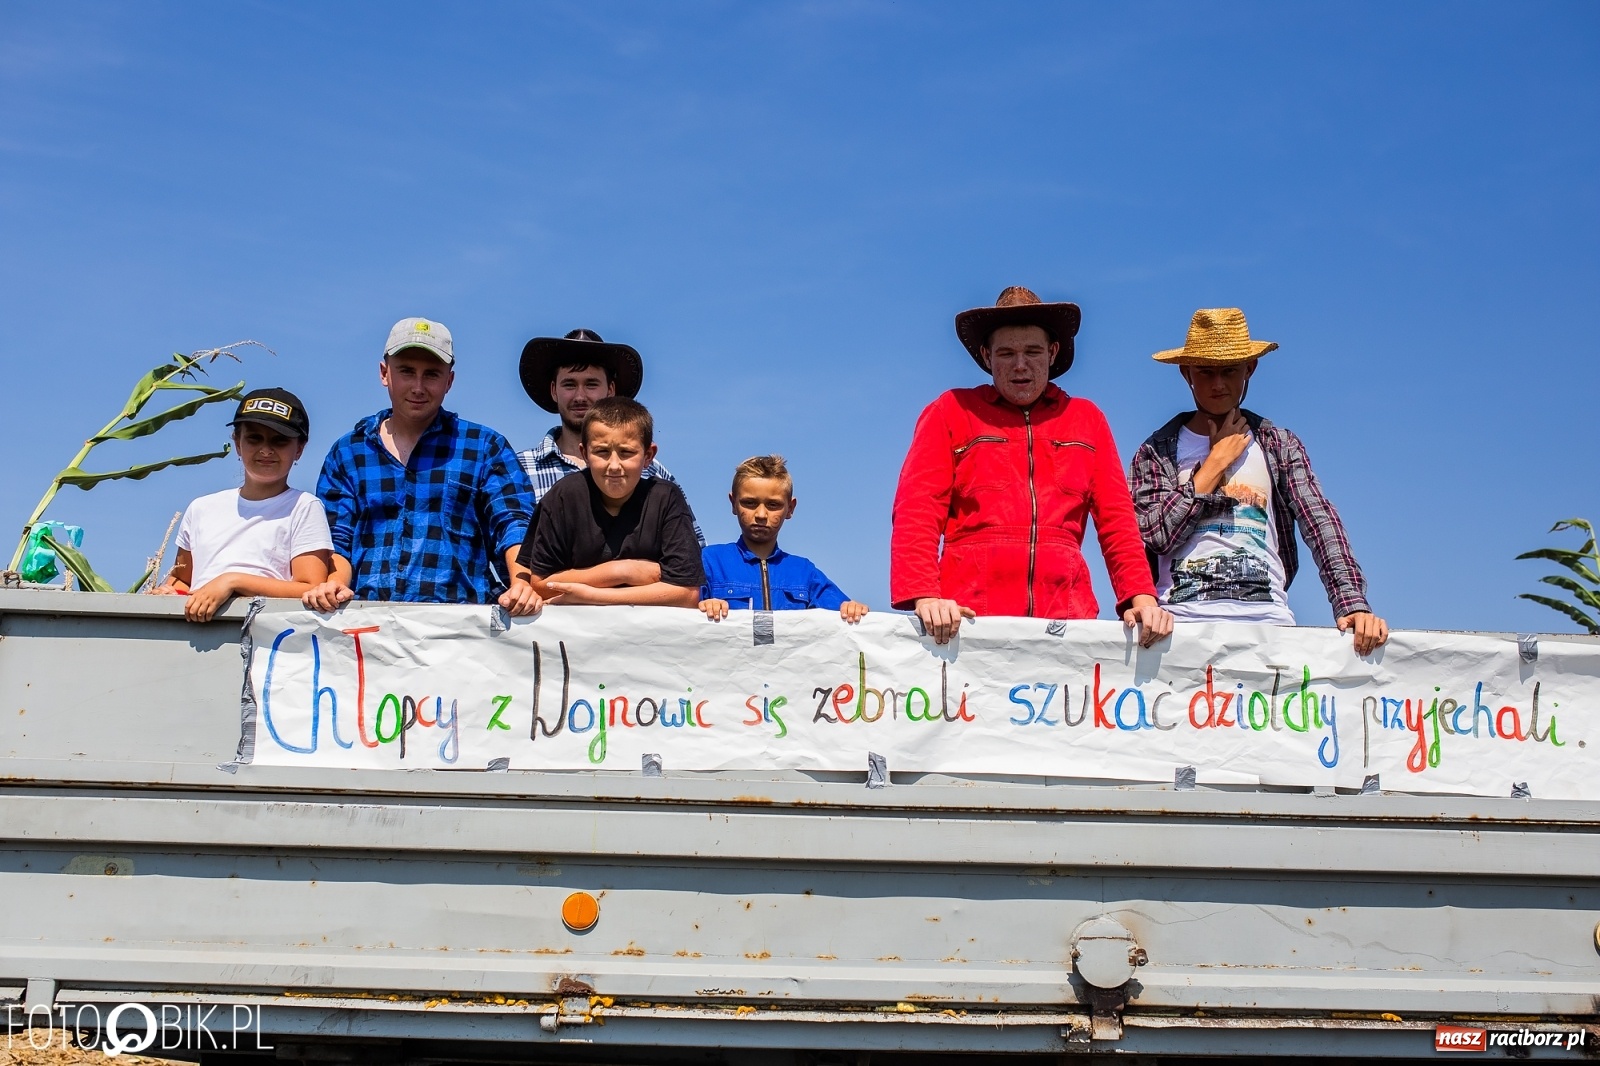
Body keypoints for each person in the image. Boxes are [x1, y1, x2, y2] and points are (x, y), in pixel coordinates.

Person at [890, 286, 1173, 647]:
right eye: (1006, 353)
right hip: (967, 623)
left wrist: (1141, 598)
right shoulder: (950, 411)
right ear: (986, 355)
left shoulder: (1088, 419)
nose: (1020, 364)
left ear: (1052, 352)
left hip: (1066, 622)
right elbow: (917, 508)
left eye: (1033, 351)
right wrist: (925, 596)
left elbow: (1117, 519)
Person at [1129, 307, 1388, 655]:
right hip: (1176, 631)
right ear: (1186, 372)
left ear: (1250, 369)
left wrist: (1352, 603)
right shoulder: (1156, 451)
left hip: (1268, 628)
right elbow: (1155, 535)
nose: (1218, 384)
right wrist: (1214, 464)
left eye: (1230, 371)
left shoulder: (1279, 445)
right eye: (1205, 372)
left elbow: (1321, 522)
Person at [302, 317, 544, 616]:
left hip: (464, 626)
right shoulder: (348, 452)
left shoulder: (484, 446)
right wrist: (336, 583)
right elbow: (336, 536)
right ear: (384, 373)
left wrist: (522, 583)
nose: (418, 387)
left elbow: (513, 523)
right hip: (366, 621)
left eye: (431, 374)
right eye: (406, 371)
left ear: (449, 382)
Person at [151, 389, 333, 622]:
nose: (266, 450)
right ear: (237, 443)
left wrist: (232, 581)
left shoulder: (304, 507)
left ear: (299, 449)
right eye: (254, 438)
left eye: (280, 440)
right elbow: (181, 580)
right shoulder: (201, 508)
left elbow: (310, 588)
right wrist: (168, 593)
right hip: (195, 637)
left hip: (266, 640)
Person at [511, 396, 702, 607]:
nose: (613, 465)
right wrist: (620, 572)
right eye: (602, 451)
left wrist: (591, 596)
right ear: (584, 453)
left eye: (626, 452)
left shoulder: (665, 498)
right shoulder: (563, 497)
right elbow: (540, 584)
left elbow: (687, 594)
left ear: (648, 455)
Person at [516, 329, 689, 507]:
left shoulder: (651, 471)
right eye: (569, 384)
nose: (580, 396)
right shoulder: (518, 470)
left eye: (591, 384)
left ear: (611, 390)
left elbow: (688, 534)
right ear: (554, 390)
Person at [699, 455, 869, 623]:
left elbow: (843, 611)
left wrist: (853, 609)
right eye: (749, 503)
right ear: (733, 503)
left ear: (790, 508)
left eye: (773, 505)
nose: (760, 515)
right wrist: (700, 608)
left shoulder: (804, 572)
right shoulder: (710, 561)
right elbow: (681, 615)